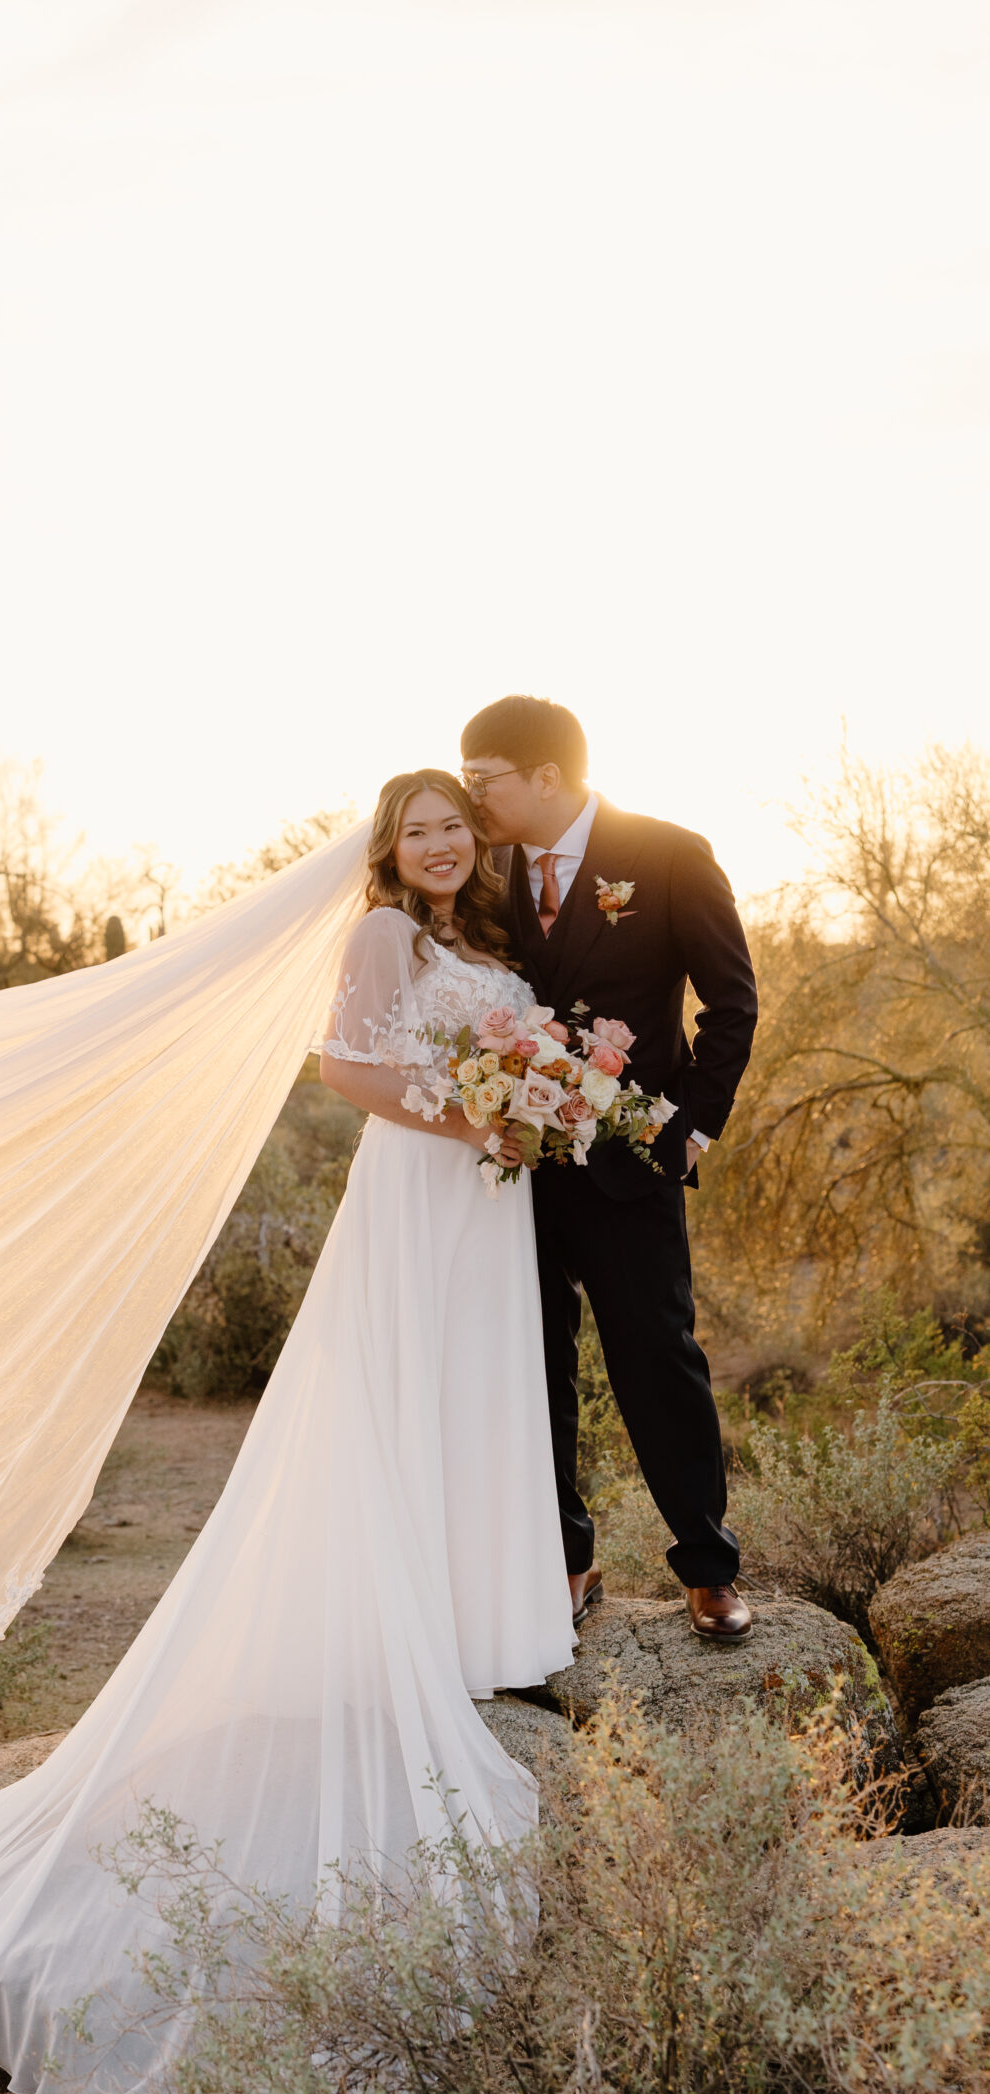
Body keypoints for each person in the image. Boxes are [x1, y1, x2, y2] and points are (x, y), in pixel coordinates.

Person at [0, 770, 577, 2094]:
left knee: (477, 1391)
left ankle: (471, 1619)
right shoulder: (379, 938)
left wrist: (531, 1107)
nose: (442, 844)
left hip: (484, 1199)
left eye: (454, 826)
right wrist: (476, 1117)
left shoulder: (486, 947)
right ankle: (405, 1618)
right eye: (419, 831)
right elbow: (344, 1070)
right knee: (406, 1393)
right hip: (421, 1190)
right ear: (388, 851)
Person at [458, 696, 758, 1642]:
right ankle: (566, 1560)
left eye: (482, 781)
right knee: (532, 1365)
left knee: (656, 1360)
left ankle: (707, 1566)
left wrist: (689, 1130)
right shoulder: (481, 876)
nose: (471, 801)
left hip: (632, 1166)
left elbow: (730, 1004)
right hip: (514, 1171)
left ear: (545, 778)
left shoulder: (667, 853)